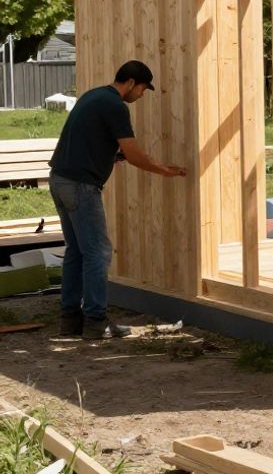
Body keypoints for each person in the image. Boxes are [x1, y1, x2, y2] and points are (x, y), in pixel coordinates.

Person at [48, 60, 187, 339]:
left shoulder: (93, 96)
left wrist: (110, 156)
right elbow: (134, 154)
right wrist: (163, 170)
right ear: (132, 83)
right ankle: (96, 322)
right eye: (144, 90)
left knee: (77, 251)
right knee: (98, 253)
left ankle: (70, 321)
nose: (142, 96)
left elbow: (87, 140)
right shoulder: (115, 106)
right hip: (80, 186)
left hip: (60, 179)